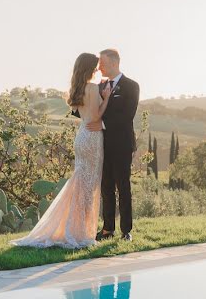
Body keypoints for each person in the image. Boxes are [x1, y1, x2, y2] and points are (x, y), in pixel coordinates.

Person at [11, 52, 109, 248]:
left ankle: (75, 228)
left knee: (80, 184)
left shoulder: (77, 89)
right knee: (89, 187)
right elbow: (97, 116)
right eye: (96, 66)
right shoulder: (92, 88)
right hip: (93, 138)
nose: (98, 69)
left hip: (82, 137)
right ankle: (81, 232)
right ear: (89, 68)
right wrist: (105, 98)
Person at [86, 48, 139, 241]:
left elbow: (127, 115)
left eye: (103, 63)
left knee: (122, 186)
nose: (99, 67)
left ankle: (126, 231)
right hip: (101, 144)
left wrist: (103, 124)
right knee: (106, 187)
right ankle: (108, 229)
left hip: (122, 144)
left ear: (114, 64)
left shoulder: (131, 86)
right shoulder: (99, 86)